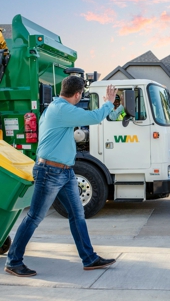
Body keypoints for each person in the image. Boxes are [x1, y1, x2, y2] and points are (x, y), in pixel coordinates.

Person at [4, 76, 117, 277]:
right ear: (77, 94)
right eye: (81, 94)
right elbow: (93, 118)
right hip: (50, 172)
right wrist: (108, 102)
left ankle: (89, 258)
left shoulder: (55, 108)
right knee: (34, 217)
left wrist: (113, 109)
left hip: (64, 172)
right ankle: (13, 261)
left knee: (77, 215)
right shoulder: (62, 110)